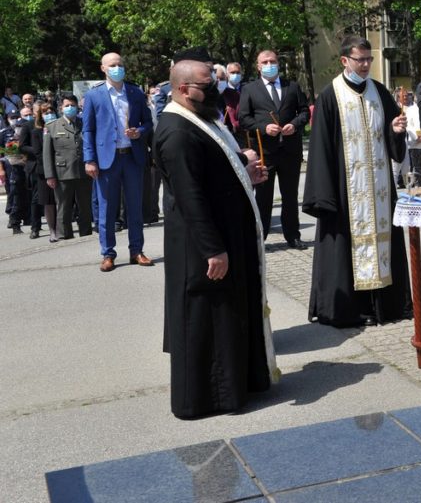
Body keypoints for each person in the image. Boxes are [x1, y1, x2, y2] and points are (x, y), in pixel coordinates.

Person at [153, 59, 278, 419]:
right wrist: (214, 249)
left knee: (227, 317)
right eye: (206, 85)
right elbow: (190, 196)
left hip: (224, 234)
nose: (214, 91)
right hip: (202, 246)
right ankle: (209, 397)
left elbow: (214, 169)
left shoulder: (201, 118)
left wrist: (244, 172)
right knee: (206, 320)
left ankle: (238, 384)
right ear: (183, 89)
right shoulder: (176, 131)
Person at [302, 35, 412, 328]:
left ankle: (385, 305)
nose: (365, 65)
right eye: (359, 60)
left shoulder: (379, 92)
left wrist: (396, 130)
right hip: (345, 190)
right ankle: (349, 308)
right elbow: (321, 148)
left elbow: (392, 136)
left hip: (379, 190)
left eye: (368, 59)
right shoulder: (330, 96)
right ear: (345, 61)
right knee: (345, 248)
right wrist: (323, 196)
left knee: (384, 244)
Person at [82, 53, 154, 272]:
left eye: (120, 64)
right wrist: (89, 159)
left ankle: (136, 251)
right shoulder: (94, 95)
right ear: (103, 68)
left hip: (132, 156)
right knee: (106, 208)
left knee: (135, 207)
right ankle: (108, 253)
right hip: (106, 160)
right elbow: (88, 130)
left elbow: (148, 122)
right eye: (113, 65)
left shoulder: (135, 92)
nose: (117, 68)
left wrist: (139, 131)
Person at [238, 50, 310, 249]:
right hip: (264, 151)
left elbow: (304, 112)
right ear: (258, 66)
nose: (269, 65)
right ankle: (260, 238)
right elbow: (244, 118)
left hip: (290, 150)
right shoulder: (250, 89)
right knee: (263, 196)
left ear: (278, 63)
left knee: (290, 195)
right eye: (265, 62)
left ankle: (293, 235)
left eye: (272, 61)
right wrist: (263, 127)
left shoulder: (292, 86)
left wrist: (294, 124)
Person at [44, 95, 92, 241]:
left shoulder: (85, 123)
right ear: (61, 108)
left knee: (85, 206)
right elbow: (47, 154)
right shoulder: (52, 126)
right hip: (62, 173)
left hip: (84, 171)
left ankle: (86, 234)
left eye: (72, 105)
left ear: (77, 107)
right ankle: (64, 235)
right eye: (66, 105)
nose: (70, 108)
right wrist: (50, 175)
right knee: (64, 207)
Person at [19, 102, 58, 239]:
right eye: (38, 111)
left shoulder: (55, 125)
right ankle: (35, 227)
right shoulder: (29, 126)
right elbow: (22, 146)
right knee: (38, 198)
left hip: (54, 165)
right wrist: (38, 150)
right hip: (37, 165)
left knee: (53, 198)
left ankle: (58, 226)